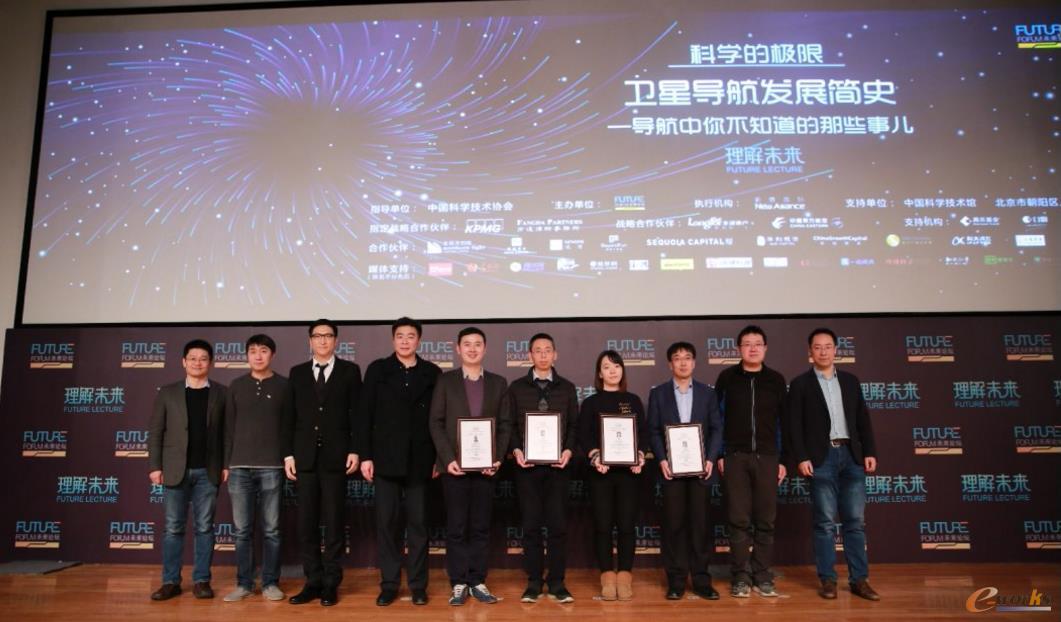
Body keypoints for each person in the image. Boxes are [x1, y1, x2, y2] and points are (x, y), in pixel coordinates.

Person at [788, 327, 879, 602]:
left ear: (836, 350)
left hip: (852, 456)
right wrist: (801, 457)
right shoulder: (800, 384)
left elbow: (862, 419)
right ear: (810, 352)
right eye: (817, 347)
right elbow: (794, 426)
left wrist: (869, 451)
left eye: (828, 346)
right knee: (825, 523)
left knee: (855, 522)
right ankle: (827, 580)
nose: (823, 351)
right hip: (821, 458)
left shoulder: (851, 381)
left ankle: (859, 580)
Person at [358, 317, 442, 607]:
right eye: (400, 336)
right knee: (387, 525)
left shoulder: (432, 372)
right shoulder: (378, 369)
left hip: (421, 460)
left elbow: (438, 419)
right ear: (393, 339)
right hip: (385, 459)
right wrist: (366, 455)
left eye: (411, 336)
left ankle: (418, 585)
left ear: (419, 340)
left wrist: (439, 458)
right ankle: (390, 584)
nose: (405, 341)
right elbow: (364, 415)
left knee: (418, 525)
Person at [428, 327, 511, 606]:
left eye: (477, 344)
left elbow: (505, 425)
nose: (472, 349)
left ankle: (477, 580)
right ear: (457, 348)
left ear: (485, 349)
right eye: (467, 344)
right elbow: (436, 422)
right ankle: (458, 582)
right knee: (456, 526)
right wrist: (448, 459)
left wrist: (497, 458)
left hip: (486, 469)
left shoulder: (498, 383)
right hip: (454, 467)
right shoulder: (445, 381)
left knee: (480, 526)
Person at [281, 319, 362, 607]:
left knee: (334, 522)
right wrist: (288, 454)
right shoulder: (298, 372)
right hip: (304, 458)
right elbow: (289, 417)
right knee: (307, 524)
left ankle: (330, 583)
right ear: (310, 341)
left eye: (328, 336)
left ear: (336, 340)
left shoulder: (350, 371)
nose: (323, 340)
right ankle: (312, 581)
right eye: (317, 336)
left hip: (336, 458)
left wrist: (355, 450)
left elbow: (358, 415)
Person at [147, 339, 227, 601]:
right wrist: (155, 466)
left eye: (203, 358)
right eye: (192, 358)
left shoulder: (221, 393)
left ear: (211, 363)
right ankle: (170, 582)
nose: (197, 363)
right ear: (183, 362)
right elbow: (156, 431)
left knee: (205, 528)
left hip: (208, 470)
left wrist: (226, 464)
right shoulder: (167, 392)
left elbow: (227, 434)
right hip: (174, 470)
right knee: (173, 528)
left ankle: (202, 581)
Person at [505, 333, 580, 604]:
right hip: (527, 469)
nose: (543, 355)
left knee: (558, 527)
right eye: (538, 350)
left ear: (555, 354)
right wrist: (516, 450)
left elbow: (574, 426)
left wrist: (568, 450)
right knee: (531, 526)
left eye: (548, 350)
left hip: (559, 468)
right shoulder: (516, 387)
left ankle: (557, 582)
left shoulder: (567, 387)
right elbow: (510, 425)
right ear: (530, 355)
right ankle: (534, 582)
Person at [714, 325, 788, 598]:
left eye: (758, 343)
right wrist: (720, 455)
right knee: (738, 520)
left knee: (766, 520)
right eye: (747, 343)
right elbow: (717, 421)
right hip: (735, 457)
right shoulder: (727, 378)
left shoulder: (776, 380)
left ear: (765, 348)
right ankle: (741, 576)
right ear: (739, 349)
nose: (753, 348)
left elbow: (784, 423)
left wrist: (783, 460)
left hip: (768, 457)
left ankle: (762, 574)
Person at [646, 341, 722, 601]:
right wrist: (662, 459)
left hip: (701, 471)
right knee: (674, 526)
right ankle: (676, 581)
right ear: (670, 364)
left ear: (694, 362)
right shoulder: (659, 394)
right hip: (672, 471)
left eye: (687, 357)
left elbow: (716, 429)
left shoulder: (707, 393)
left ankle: (701, 580)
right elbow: (653, 431)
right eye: (677, 358)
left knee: (701, 527)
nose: (682, 362)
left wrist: (710, 459)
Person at [221, 334, 287, 603]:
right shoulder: (236, 386)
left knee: (272, 530)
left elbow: (290, 426)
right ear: (246, 355)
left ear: (272, 354)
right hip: (239, 467)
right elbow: (227, 429)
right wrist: (226, 463)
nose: (258, 356)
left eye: (263, 351)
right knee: (242, 531)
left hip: (272, 466)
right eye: (252, 351)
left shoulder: (284, 385)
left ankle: (270, 582)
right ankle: (244, 583)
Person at [577, 350, 646, 601]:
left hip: (629, 473)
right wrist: (596, 456)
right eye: (607, 367)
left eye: (616, 366)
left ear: (622, 370)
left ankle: (625, 576)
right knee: (603, 526)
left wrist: (640, 455)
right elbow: (583, 436)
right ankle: (607, 576)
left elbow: (643, 433)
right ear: (599, 373)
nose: (612, 370)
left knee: (627, 526)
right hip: (601, 473)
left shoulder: (634, 400)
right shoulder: (590, 403)